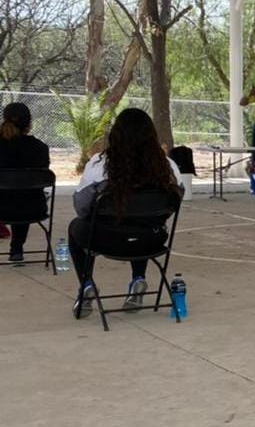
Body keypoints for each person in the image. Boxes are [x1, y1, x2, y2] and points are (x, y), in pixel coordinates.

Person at [69, 108, 183, 315]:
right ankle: (138, 279)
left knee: (76, 226)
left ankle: (86, 284)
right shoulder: (167, 166)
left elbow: (82, 207)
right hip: (151, 239)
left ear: (115, 134)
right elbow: (175, 201)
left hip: (106, 239)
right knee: (140, 223)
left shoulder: (98, 164)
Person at [0, 103, 51, 262]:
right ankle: (16, 249)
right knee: (23, 196)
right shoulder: (40, 148)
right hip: (34, 209)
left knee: (12, 197)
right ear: (29, 123)